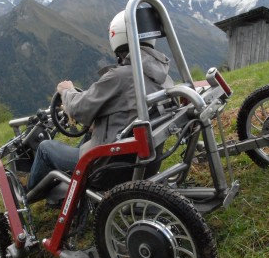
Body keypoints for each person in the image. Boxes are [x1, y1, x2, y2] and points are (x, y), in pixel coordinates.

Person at [26, 10, 173, 195]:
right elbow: (127, 109)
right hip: (144, 162)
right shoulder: (163, 79)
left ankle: (28, 196)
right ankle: (67, 186)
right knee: (89, 135)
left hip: (107, 168)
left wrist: (67, 91)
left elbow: (78, 108)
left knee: (45, 148)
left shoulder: (120, 76)